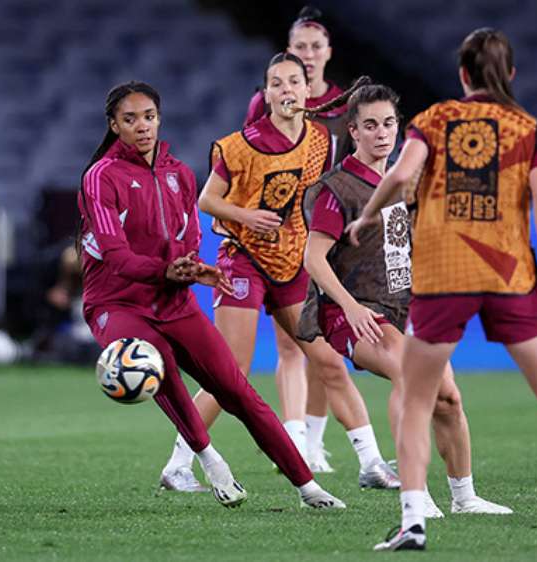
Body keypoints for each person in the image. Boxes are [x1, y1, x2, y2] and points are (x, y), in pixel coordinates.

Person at [348, 30, 537, 551]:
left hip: (443, 276)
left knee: (418, 400)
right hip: (509, 276)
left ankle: (413, 523)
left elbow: (402, 176)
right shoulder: (531, 130)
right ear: (510, 75)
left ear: (463, 75)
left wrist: (366, 214)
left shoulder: (435, 119)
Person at [78, 80, 344, 510]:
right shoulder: (100, 178)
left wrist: (192, 268)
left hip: (173, 301)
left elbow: (189, 238)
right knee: (158, 360)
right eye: (130, 119)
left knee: (238, 391)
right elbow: (115, 256)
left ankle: (308, 486)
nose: (142, 126)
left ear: (159, 119)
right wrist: (167, 270)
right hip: (117, 304)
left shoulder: (180, 174)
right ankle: (209, 459)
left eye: (148, 116)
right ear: (114, 125)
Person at [159, 55, 399, 492]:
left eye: (295, 81)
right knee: (230, 371)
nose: (287, 88)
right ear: (265, 93)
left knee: (328, 362)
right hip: (244, 259)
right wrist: (244, 216)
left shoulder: (322, 141)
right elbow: (207, 201)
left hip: (291, 263)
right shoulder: (239, 145)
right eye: (277, 82)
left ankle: (371, 462)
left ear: (308, 90)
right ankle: (178, 464)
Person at [299, 83, 514, 519]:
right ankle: (416, 498)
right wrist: (350, 308)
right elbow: (313, 259)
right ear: (353, 131)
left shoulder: (404, 180)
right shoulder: (337, 189)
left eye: (390, 124)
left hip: (406, 309)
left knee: (448, 399)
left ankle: (465, 497)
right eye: (371, 125)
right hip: (357, 313)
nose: (383, 133)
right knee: (417, 384)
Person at [244, 6, 351, 473]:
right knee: (292, 344)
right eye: (299, 47)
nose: (307, 54)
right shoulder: (261, 102)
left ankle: (315, 439)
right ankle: (296, 444)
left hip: (328, 236)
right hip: (281, 238)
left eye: (314, 46)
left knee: (326, 342)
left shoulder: (348, 107)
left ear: (328, 53)